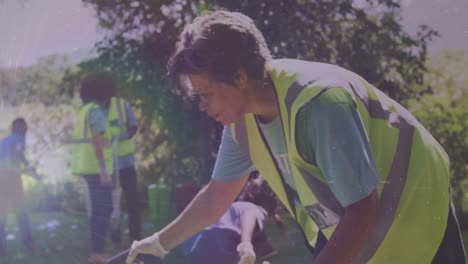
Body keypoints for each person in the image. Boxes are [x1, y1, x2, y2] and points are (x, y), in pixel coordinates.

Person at [127, 10, 466, 264]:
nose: (201, 106)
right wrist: (159, 243)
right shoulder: (241, 122)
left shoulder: (319, 104)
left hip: (420, 217)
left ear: (240, 76)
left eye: (206, 94)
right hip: (356, 236)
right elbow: (217, 196)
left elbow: (362, 209)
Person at [179, 172, 280, 264]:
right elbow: (250, 214)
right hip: (218, 247)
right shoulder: (255, 209)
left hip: (191, 246)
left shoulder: (231, 207)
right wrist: (246, 243)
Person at [71, 71, 119, 264]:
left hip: (86, 167)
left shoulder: (85, 109)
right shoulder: (96, 111)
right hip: (96, 169)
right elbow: (98, 141)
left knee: (99, 209)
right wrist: (104, 172)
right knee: (105, 209)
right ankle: (97, 253)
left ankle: (96, 252)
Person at [107, 95, 142, 244]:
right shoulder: (96, 108)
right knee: (112, 203)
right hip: (109, 164)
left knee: (132, 201)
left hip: (126, 162)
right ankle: (115, 238)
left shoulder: (122, 105)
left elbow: (133, 126)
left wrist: (121, 137)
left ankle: (136, 238)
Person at [0, 118, 34, 256]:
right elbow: (18, 152)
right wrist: (28, 167)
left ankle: (1, 249)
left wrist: (25, 164)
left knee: (1, 213)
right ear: (22, 129)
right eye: (25, 128)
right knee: (21, 211)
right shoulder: (19, 138)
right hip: (12, 178)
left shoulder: (4, 140)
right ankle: (28, 243)